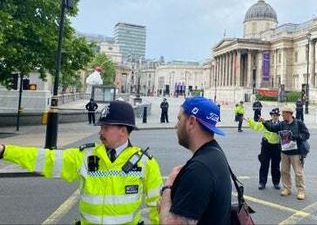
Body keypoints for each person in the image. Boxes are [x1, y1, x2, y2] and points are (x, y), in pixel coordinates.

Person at [0, 100, 163, 224]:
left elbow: (158, 207)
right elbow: (47, 159)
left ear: (123, 130)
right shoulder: (85, 156)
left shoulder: (145, 163)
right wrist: (5, 151)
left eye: (106, 127)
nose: (101, 132)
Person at [159, 96, 231, 225]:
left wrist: (167, 188)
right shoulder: (215, 154)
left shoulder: (199, 170)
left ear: (191, 122)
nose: (176, 126)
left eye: (179, 119)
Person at [260, 105, 310, 200]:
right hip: (284, 152)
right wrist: (264, 122)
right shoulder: (282, 124)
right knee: (284, 171)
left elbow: (306, 135)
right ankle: (287, 188)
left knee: (298, 173)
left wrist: (296, 137)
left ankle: (301, 191)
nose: (282, 116)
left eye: (283, 114)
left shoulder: (299, 123)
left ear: (289, 114)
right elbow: (272, 128)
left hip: (295, 152)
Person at [246, 108, 281, 190]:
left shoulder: (280, 125)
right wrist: (250, 121)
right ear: (271, 116)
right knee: (264, 164)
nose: (275, 117)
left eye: (276, 115)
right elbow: (256, 126)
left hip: (276, 146)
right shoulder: (266, 123)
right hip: (266, 145)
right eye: (273, 115)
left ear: (278, 116)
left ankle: (276, 182)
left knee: (275, 165)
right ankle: (262, 182)